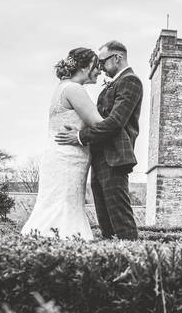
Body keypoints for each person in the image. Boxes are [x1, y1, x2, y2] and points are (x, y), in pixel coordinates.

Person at [54, 40, 142, 240]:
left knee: (120, 219)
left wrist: (79, 136)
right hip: (100, 156)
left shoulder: (131, 81)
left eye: (102, 62)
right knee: (106, 223)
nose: (100, 68)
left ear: (117, 57)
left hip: (115, 157)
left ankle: (133, 261)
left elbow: (115, 122)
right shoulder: (115, 84)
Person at [21, 47, 103, 239]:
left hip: (59, 157)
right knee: (64, 208)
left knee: (54, 205)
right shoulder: (74, 89)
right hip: (68, 160)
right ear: (85, 67)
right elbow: (100, 124)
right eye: (96, 66)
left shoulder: (62, 87)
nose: (99, 71)